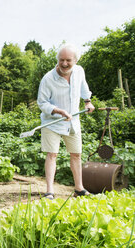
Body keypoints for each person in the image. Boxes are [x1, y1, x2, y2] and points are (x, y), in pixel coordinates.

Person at [37, 44, 95, 200]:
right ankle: (49, 191)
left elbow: (84, 88)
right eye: (61, 60)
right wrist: (58, 110)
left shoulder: (79, 71)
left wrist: (87, 102)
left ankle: (79, 188)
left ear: (75, 60)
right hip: (52, 122)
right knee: (52, 154)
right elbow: (42, 103)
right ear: (57, 60)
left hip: (73, 122)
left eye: (68, 60)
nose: (64, 64)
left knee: (76, 154)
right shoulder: (48, 78)